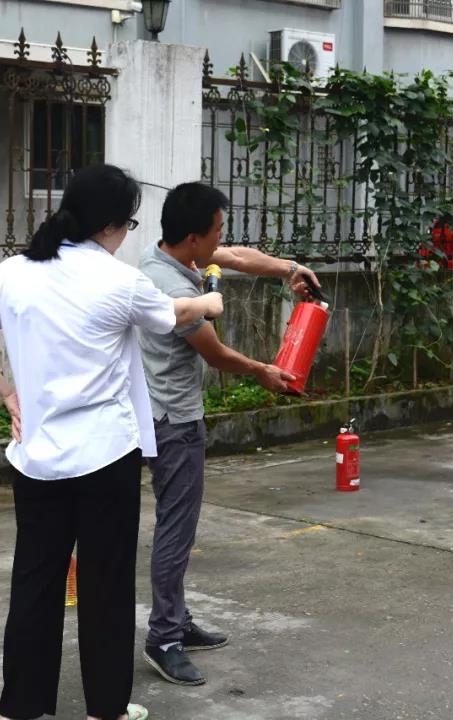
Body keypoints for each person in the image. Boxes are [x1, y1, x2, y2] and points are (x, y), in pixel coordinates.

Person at [0, 166, 223, 720]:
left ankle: (20, 709)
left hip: (36, 458)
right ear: (112, 225)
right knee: (105, 586)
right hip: (105, 457)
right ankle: (105, 709)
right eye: (129, 225)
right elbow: (171, 315)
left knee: (35, 583)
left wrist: (8, 394)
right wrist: (209, 304)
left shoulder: (14, 272)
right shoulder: (117, 279)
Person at [138, 182, 321, 686]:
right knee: (176, 528)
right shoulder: (172, 291)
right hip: (172, 421)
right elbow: (215, 354)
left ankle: (176, 620)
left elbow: (237, 256)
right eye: (216, 231)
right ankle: (164, 639)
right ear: (193, 238)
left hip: (163, 413)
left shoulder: (168, 255)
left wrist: (290, 268)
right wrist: (264, 370)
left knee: (179, 525)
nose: (222, 239)